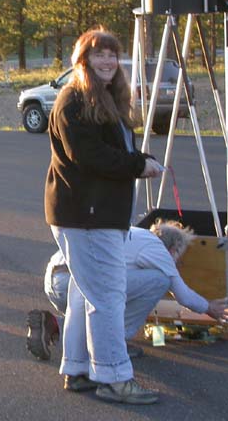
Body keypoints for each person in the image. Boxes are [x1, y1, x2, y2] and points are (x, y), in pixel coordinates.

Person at [43, 27, 164, 405]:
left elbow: (110, 149)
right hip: (86, 217)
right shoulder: (72, 101)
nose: (108, 61)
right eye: (99, 54)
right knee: (109, 297)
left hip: (97, 216)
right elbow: (88, 156)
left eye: (112, 54)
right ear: (83, 60)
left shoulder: (105, 100)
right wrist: (137, 165)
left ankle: (78, 369)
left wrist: (137, 159)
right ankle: (114, 376)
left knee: (84, 296)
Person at [26, 219, 228, 361]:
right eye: (180, 257)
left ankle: (53, 324)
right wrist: (209, 308)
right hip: (75, 283)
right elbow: (183, 295)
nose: (178, 264)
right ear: (173, 249)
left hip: (55, 281)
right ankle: (117, 342)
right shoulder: (159, 251)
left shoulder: (133, 233)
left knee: (106, 298)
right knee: (160, 280)